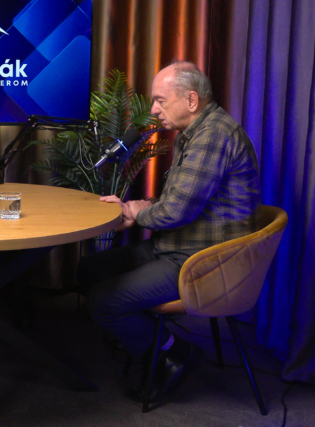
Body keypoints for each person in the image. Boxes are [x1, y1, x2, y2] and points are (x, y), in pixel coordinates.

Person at [77, 61, 261, 402]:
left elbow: (175, 211)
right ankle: (141, 340)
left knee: (103, 301)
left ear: (191, 100)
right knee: (90, 269)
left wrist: (137, 212)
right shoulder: (193, 132)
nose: (153, 110)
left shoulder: (213, 136)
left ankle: (173, 352)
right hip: (178, 245)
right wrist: (136, 209)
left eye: (160, 100)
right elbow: (178, 198)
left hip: (202, 261)